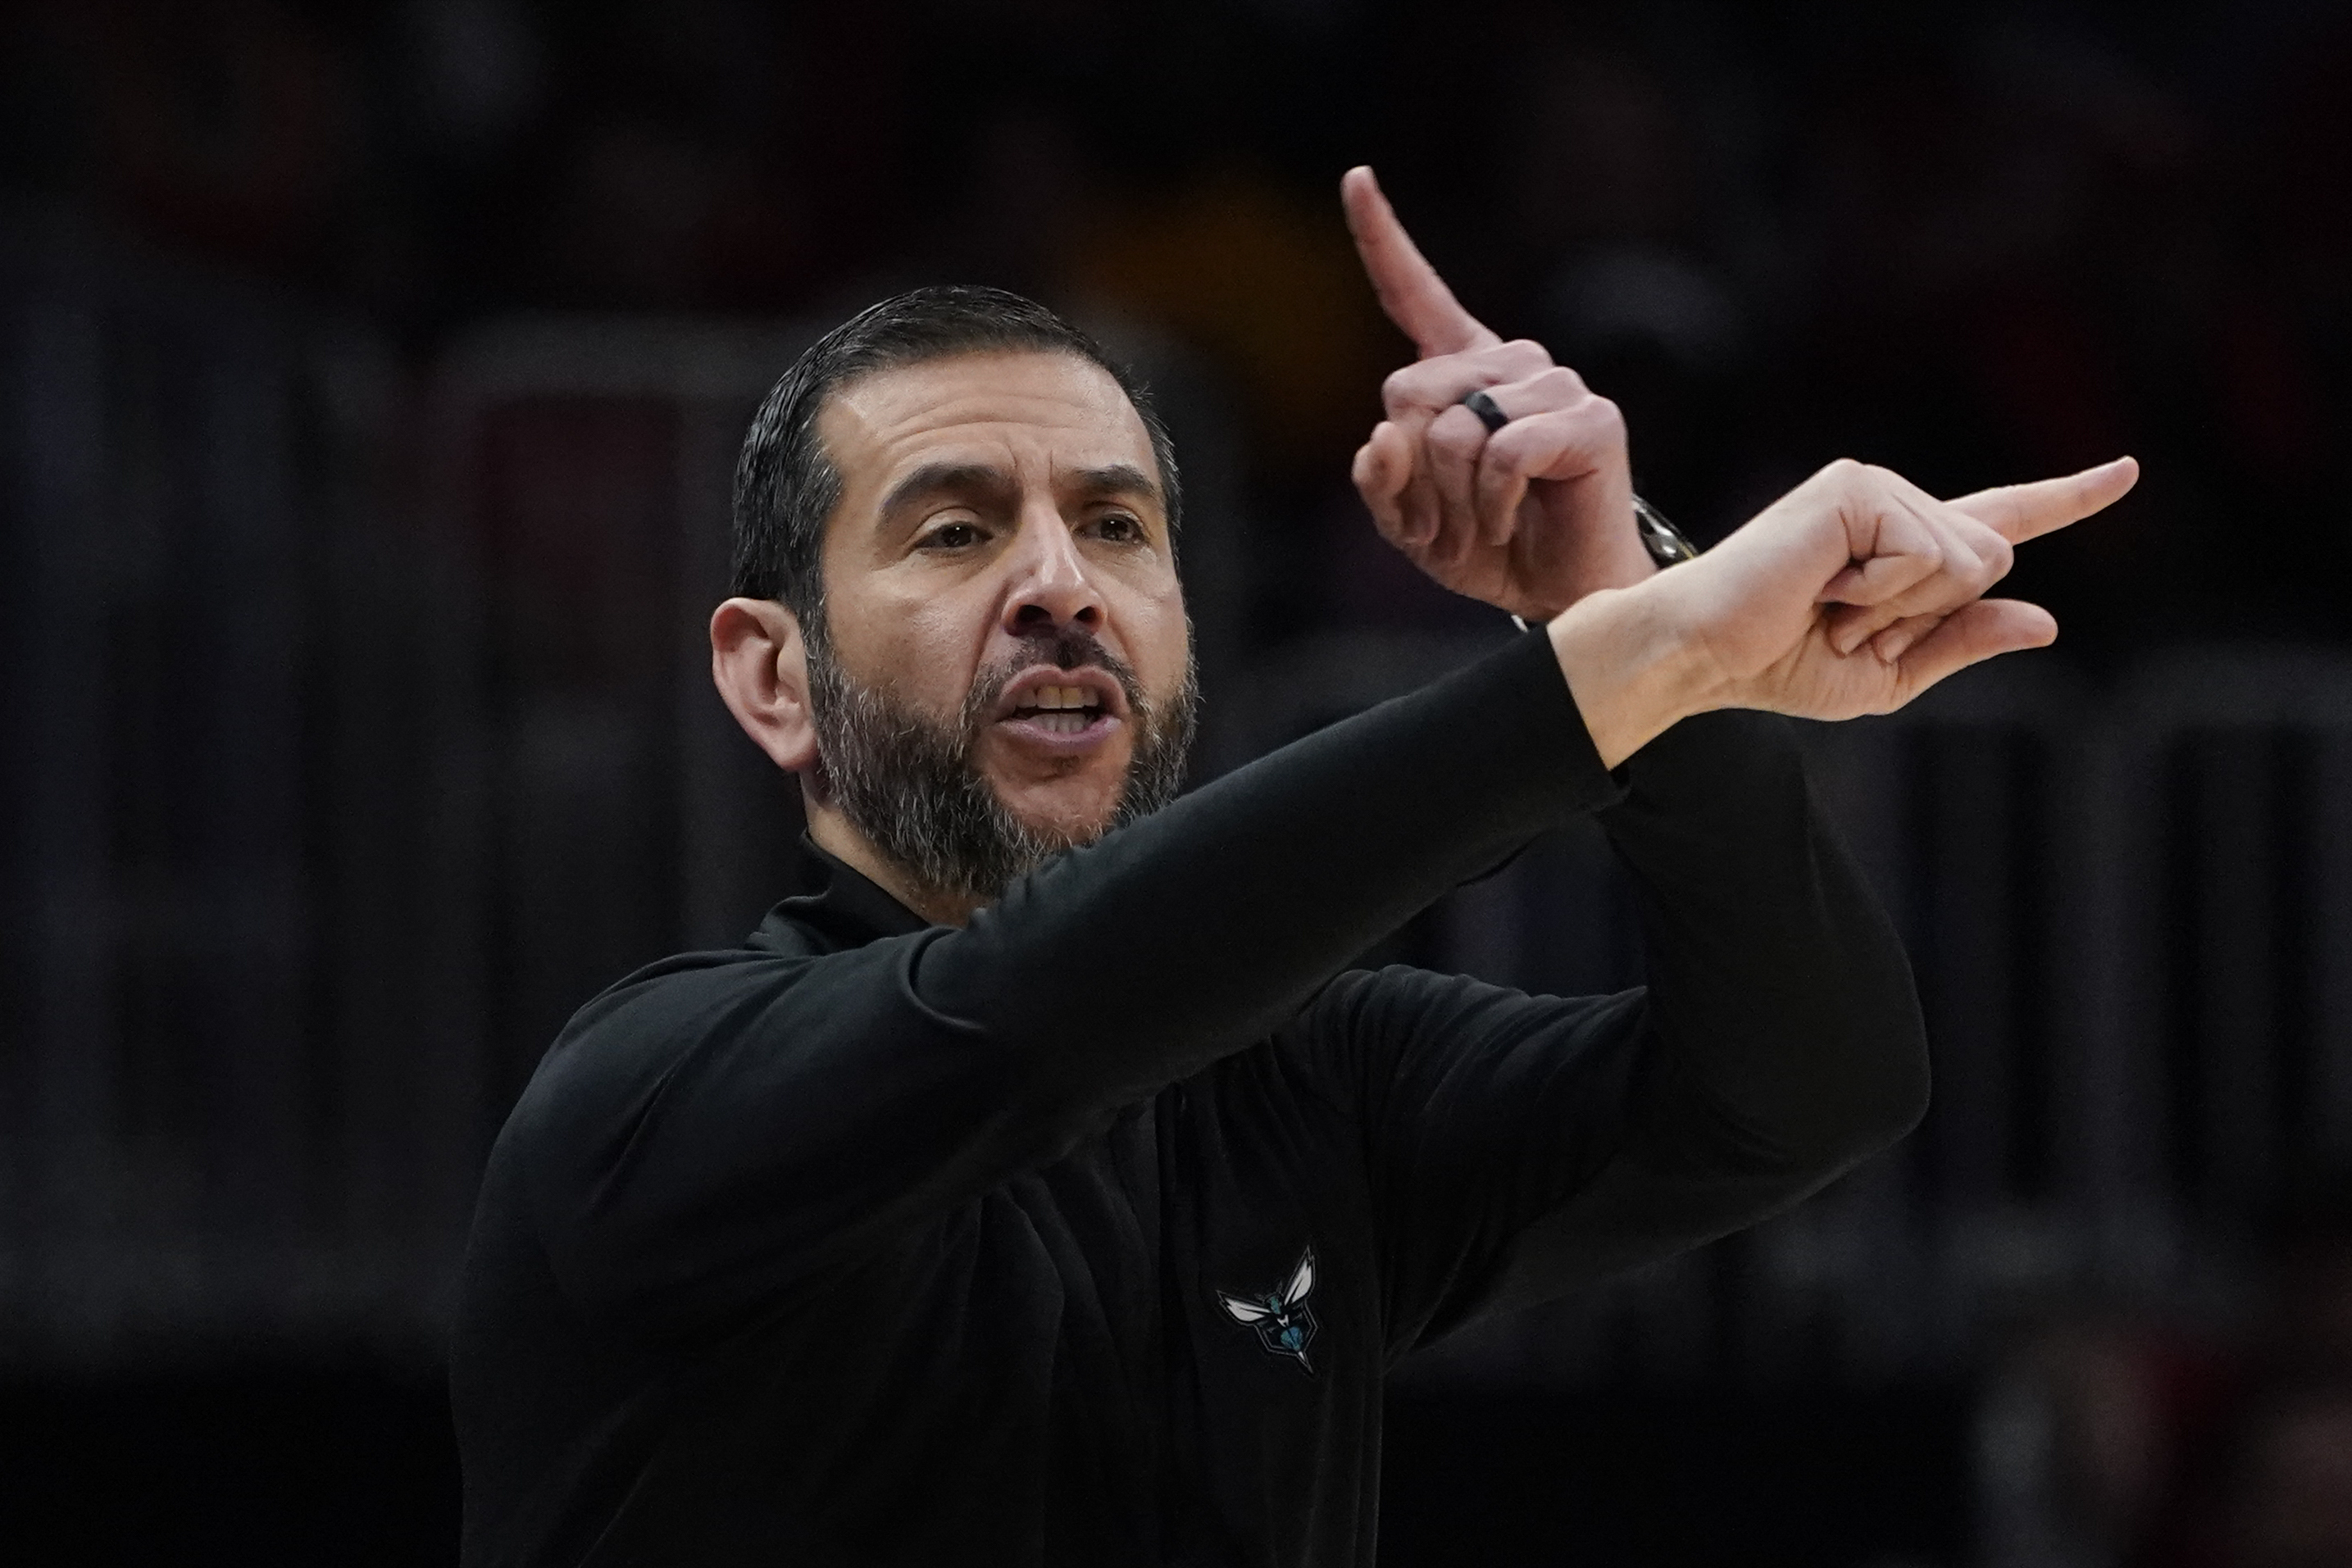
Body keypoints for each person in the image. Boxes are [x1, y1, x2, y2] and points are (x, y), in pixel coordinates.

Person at [448, 166, 2138, 1566]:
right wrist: (1638, 661)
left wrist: (1622, 610)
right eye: (955, 529)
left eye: (1118, 528)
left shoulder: (1310, 1091)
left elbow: (1803, 1089)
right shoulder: (643, 1101)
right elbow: (1034, 1016)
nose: (1062, 585)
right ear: (773, 674)